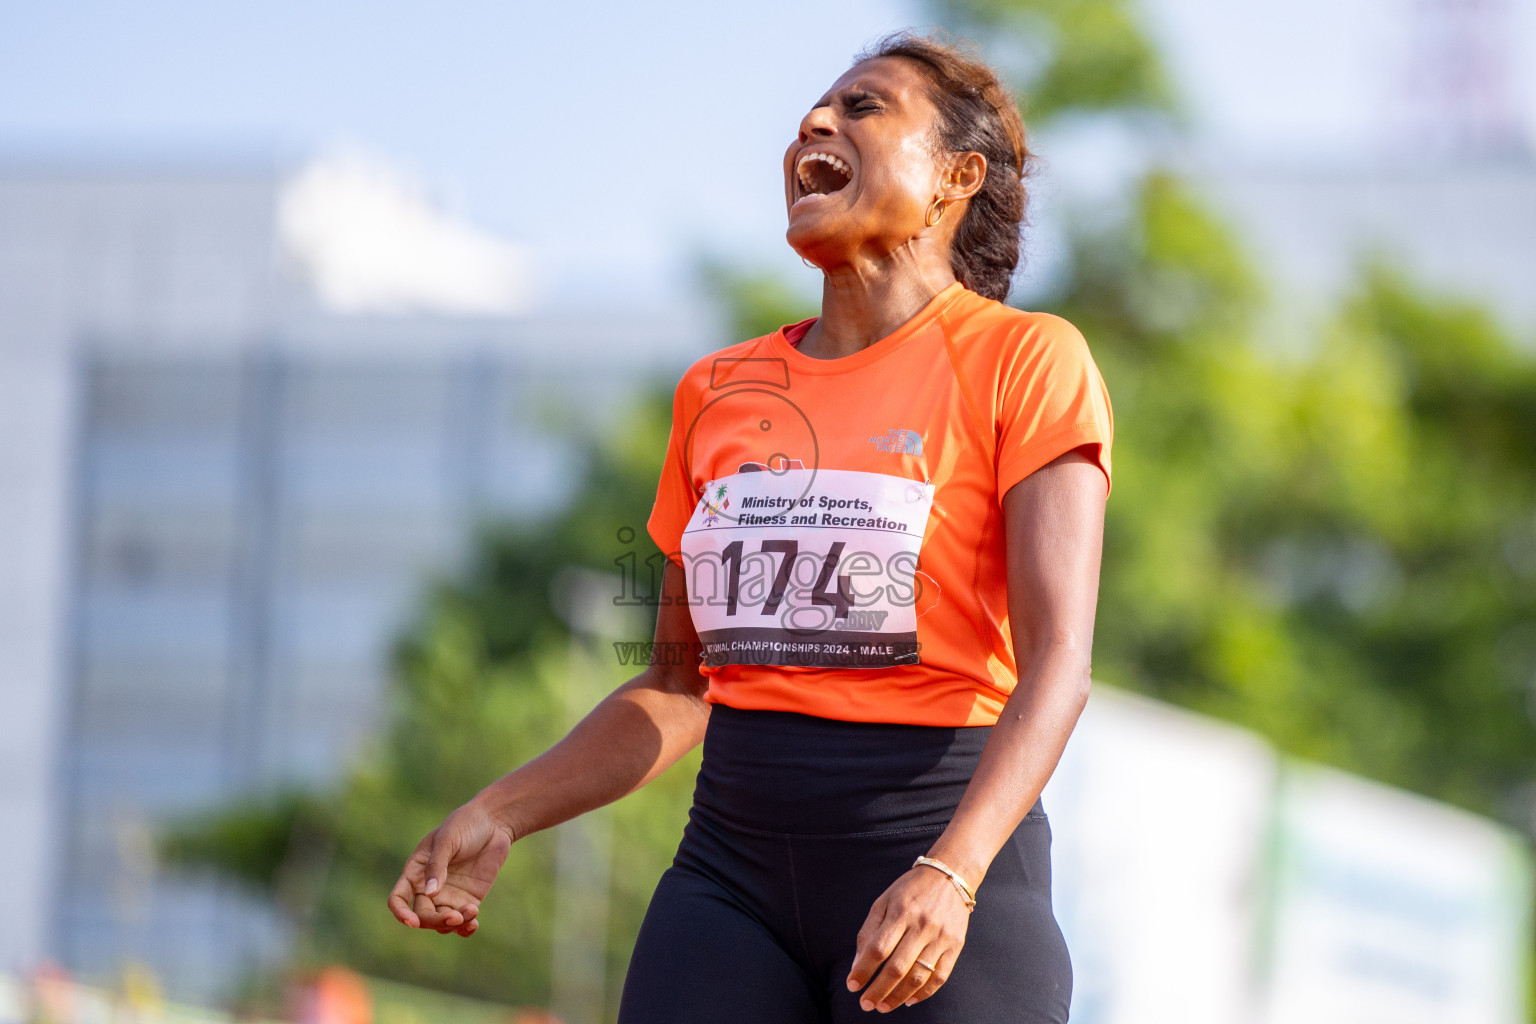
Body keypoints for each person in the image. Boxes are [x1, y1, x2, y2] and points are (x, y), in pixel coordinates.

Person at [388, 31, 1112, 1024]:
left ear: (958, 176)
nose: (816, 121)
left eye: (865, 106)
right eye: (816, 107)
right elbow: (681, 686)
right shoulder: (720, 391)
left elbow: (1059, 663)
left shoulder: (1027, 360)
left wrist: (953, 871)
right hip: (730, 874)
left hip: (939, 853)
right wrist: (502, 810)